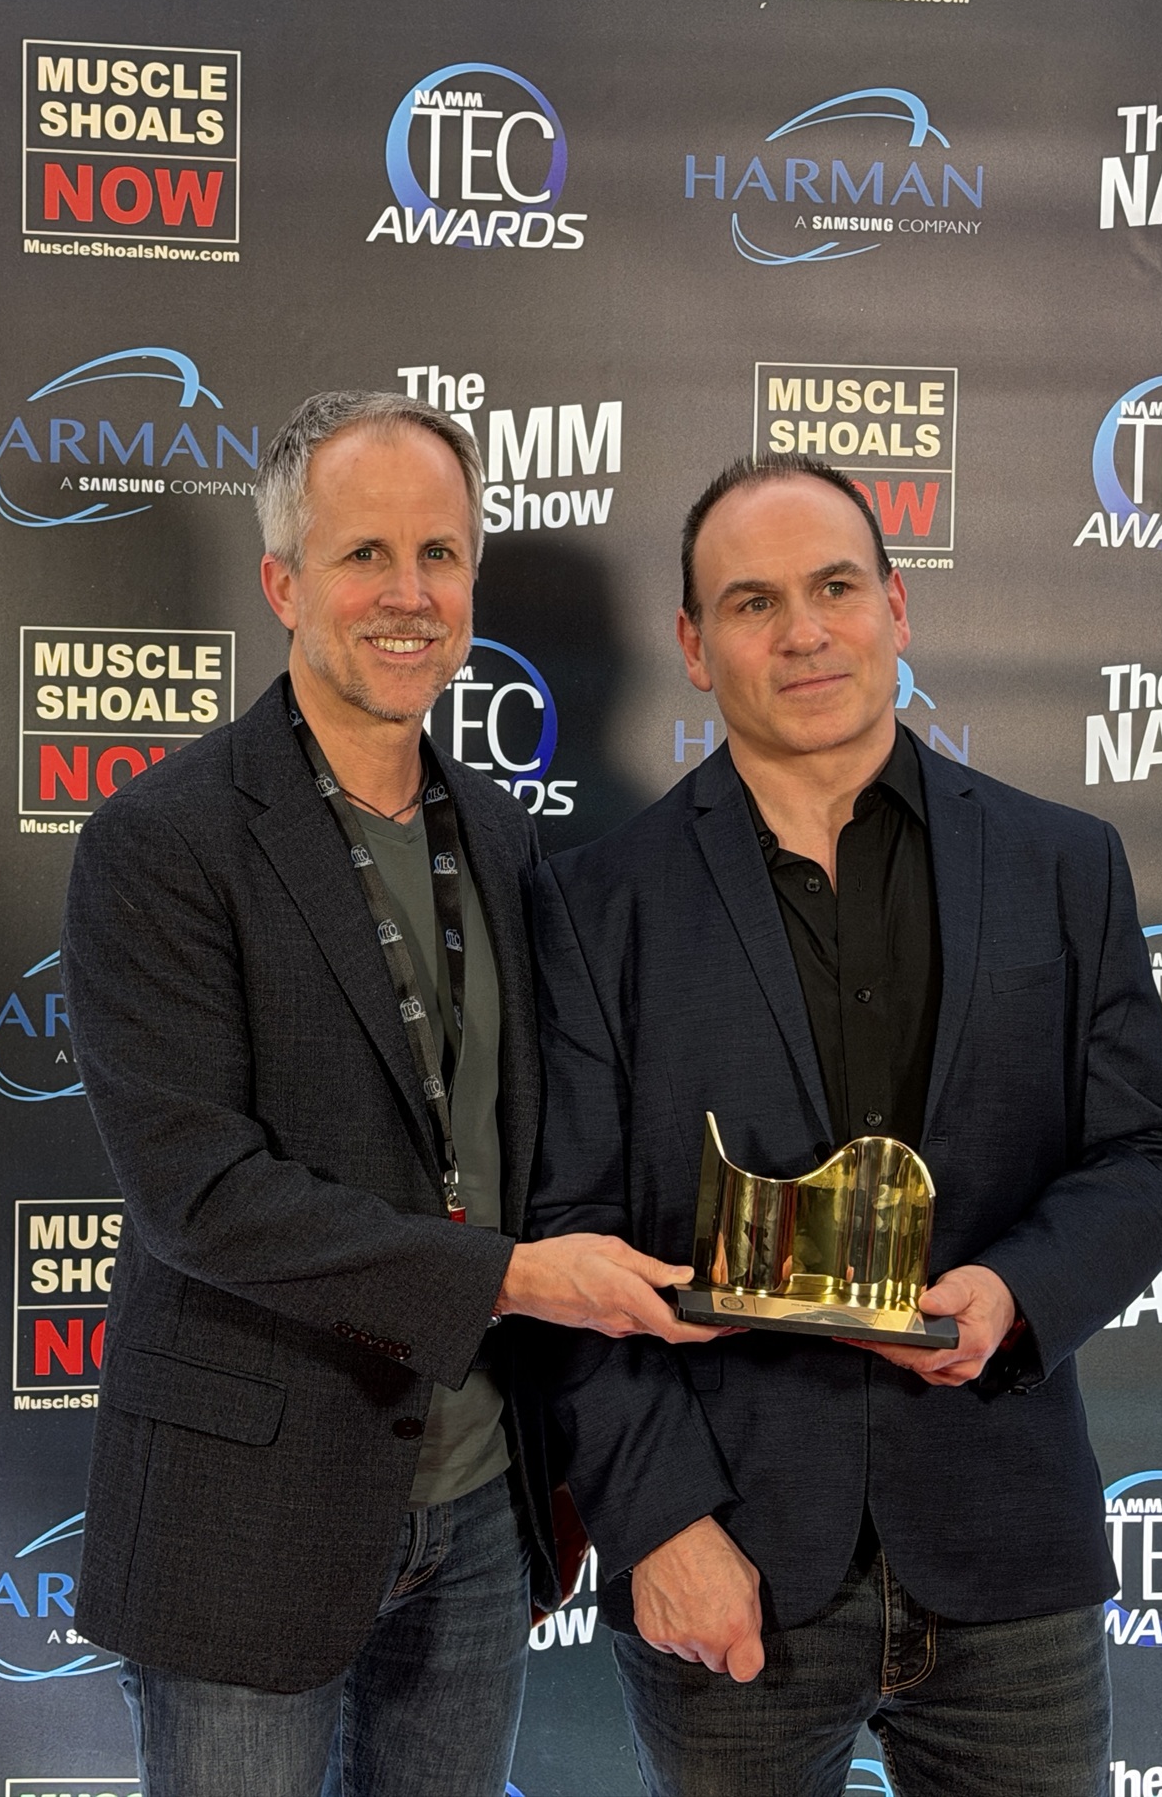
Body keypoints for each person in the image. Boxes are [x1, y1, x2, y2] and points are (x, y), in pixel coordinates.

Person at [60, 390, 719, 1797]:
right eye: (365, 554)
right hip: (245, 1513)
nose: (408, 594)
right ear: (283, 584)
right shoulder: (159, 843)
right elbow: (202, 1197)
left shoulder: (504, 836)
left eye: (441, 555)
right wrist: (516, 1278)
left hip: (480, 1512)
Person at [526, 456, 1162, 1796]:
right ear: (693, 646)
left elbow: (1147, 1155)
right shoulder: (595, 906)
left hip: (1007, 1548)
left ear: (897, 607)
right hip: (728, 1558)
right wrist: (659, 1526)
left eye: (835, 587)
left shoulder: (1063, 865)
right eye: (753, 602)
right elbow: (560, 1238)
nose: (804, 631)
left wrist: (1014, 1294)